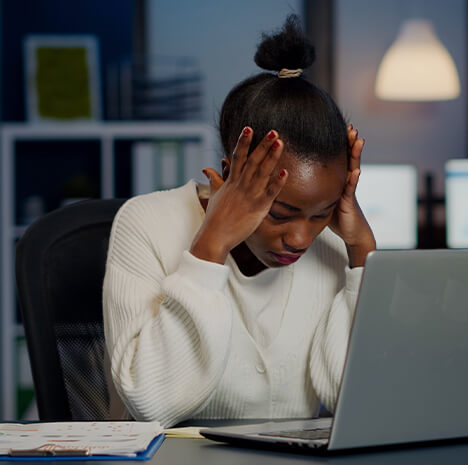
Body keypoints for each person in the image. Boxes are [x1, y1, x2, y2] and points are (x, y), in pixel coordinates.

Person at [102, 15, 376, 427]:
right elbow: (152, 403)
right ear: (229, 174)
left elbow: (356, 401)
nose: (301, 238)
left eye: (321, 214)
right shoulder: (145, 224)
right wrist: (211, 245)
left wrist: (363, 258)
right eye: (280, 213)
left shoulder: (335, 245)